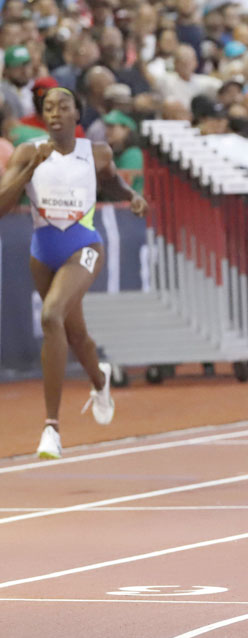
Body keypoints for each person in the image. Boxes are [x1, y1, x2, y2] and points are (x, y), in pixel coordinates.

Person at [0, 87, 148, 459]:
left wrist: (131, 195)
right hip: (42, 251)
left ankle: (52, 428)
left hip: (84, 246)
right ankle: (100, 380)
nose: (54, 113)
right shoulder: (27, 152)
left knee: (51, 315)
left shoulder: (95, 153)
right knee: (74, 332)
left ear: (76, 115)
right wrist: (32, 169)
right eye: (48, 108)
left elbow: (112, 181)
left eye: (62, 107)